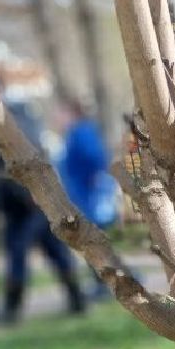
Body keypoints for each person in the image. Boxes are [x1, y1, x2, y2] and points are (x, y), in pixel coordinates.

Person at [0, 98, 86, 324]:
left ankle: (11, 310)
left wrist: (25, 199)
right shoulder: (30, 134)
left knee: (18, 255)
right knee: (56, 253)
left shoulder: (10, 140)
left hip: (23, 211)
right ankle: (77, 299)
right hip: (38, 207)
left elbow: (9, 177)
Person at [58, 99, 118, 299]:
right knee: (92, 241)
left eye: (62, 113)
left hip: (88, 198)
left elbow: (95, 159)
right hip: (83, 197)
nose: (58, 118)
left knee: (92, 240)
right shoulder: (77, 132)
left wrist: (92, 180)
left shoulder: (81, 132)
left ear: (72, 113)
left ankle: (107, 284)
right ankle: (105, 283)